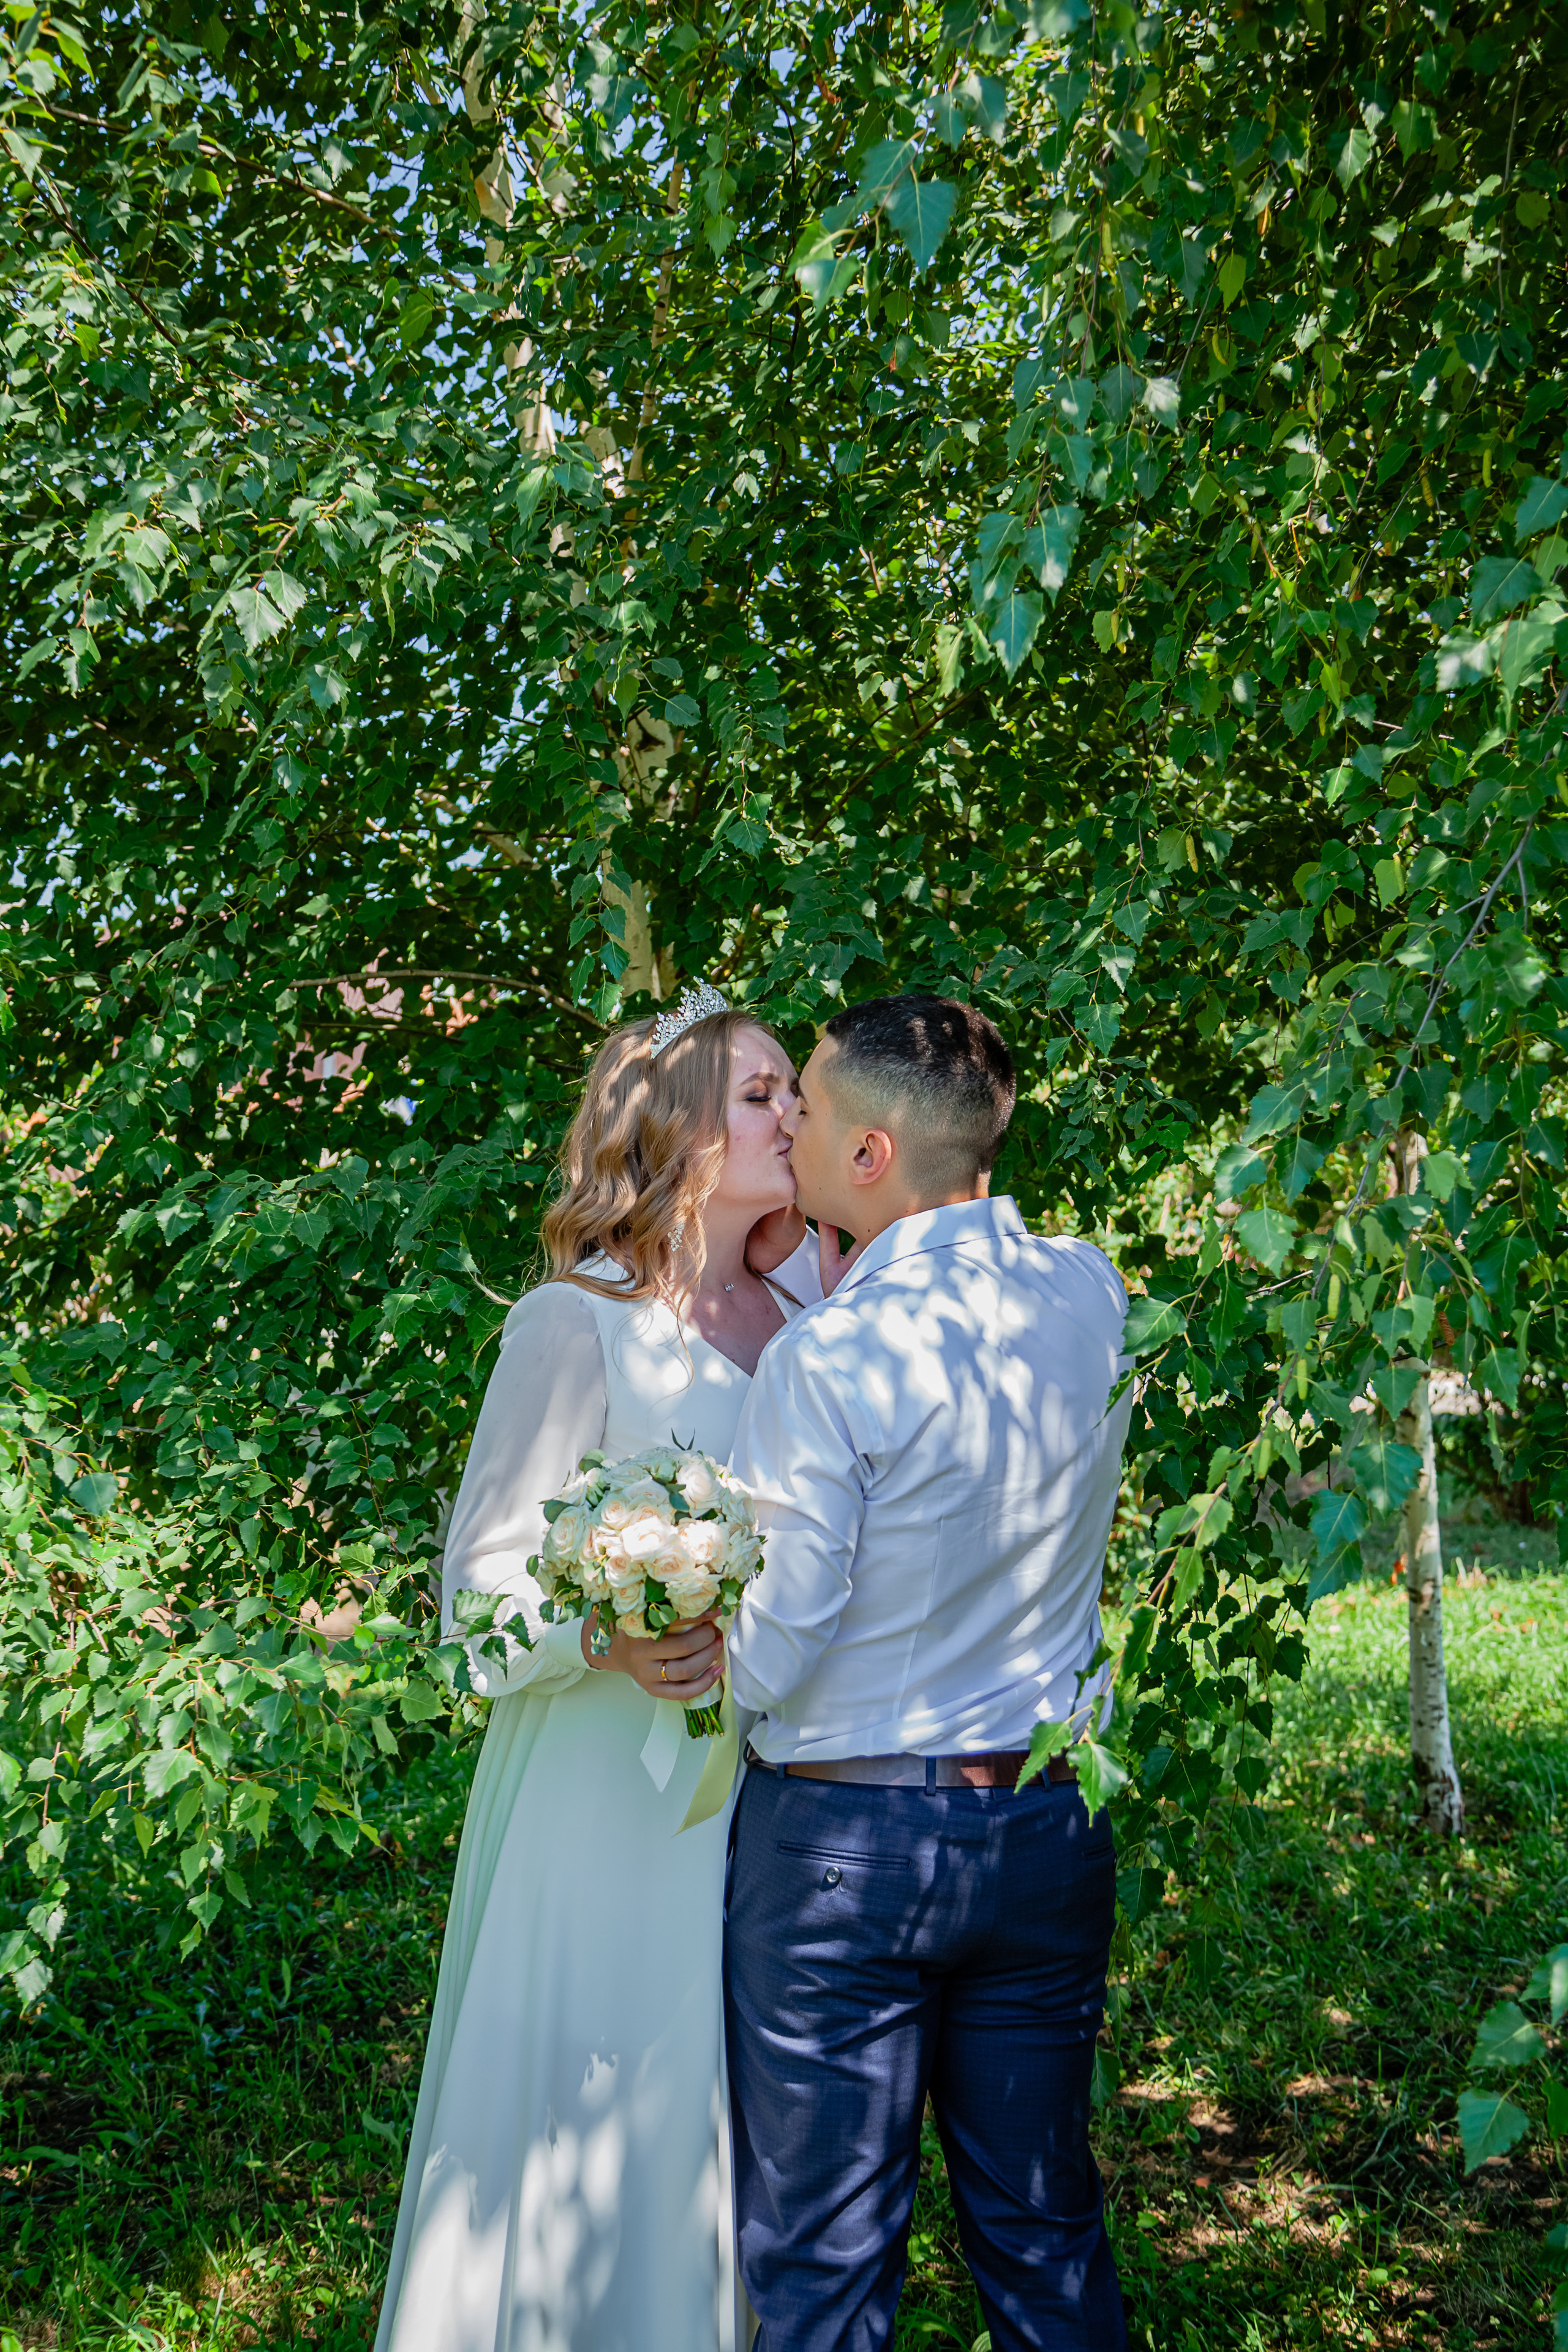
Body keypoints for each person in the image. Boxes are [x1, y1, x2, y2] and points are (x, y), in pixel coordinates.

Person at [375, 987, 820, 2352]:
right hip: (599, 1797)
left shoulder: (815, 1309)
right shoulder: (576, 1325)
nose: (796, 1115)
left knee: (719, 2116)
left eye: (795, 1096)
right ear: (678, 1131)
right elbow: (471, 1600)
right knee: (592, 2078)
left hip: (768, 1789)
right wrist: (605, 1636)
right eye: (761, 1095)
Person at [724, 991, 1133, 2352]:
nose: (787, 1126)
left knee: (827, 2263)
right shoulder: (1090, 1292)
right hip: (1043, 1824)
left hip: (848, 1847)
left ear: (870, 1161)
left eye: (810, 1110)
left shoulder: (828, 1357)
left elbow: (776, 1645)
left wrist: (674, 1646)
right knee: (1042, 2232)